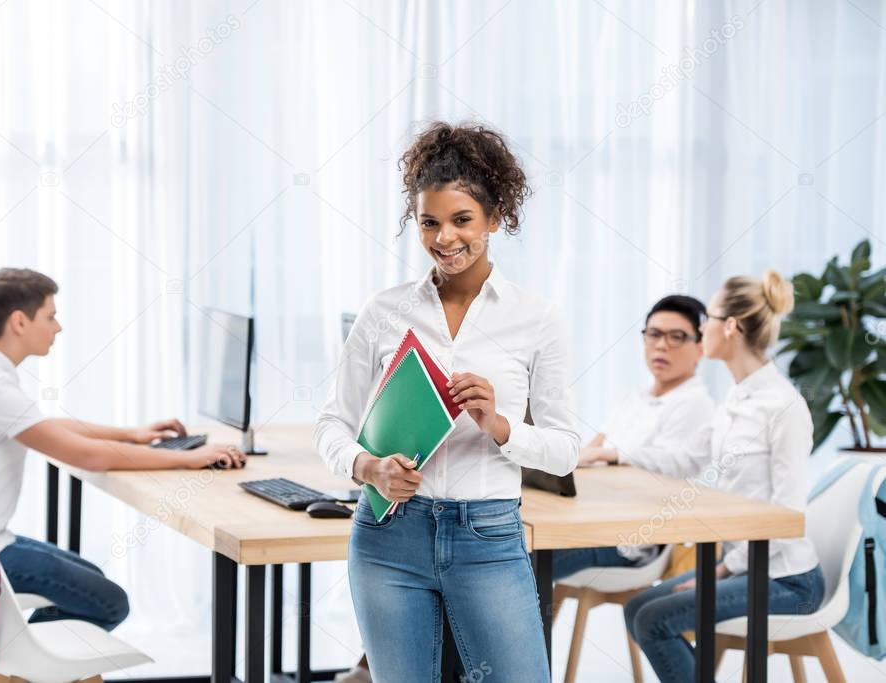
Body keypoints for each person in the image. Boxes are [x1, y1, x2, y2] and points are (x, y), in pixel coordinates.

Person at [315, 122, 579, 682]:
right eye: (429, 222)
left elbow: (564, 452)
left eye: (462, 220)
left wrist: (501, 425)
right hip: (389, 538)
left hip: (488, 537)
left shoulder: (536, 318)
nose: (444, 238)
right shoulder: (384, 311)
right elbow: (331, 424)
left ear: (495, 218)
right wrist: (368, 467)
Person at [0, 268, 246, 631]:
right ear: (19, 321)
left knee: (91, 576)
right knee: (110, 602)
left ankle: (29, 661)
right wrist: (189, 459)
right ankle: (27, 668)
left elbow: (46, 428)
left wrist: (133, 435)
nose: (57, 327)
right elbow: (86, 456)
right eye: (50, 316)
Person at [623, 270, 826, 682]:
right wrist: (614, 453)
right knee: (637, 608)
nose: (701, 329)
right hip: (743, 566)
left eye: (708, 319)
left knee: (654, 620)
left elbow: (786, 517)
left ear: (730, 327)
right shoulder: (737, 397)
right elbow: (690, 459)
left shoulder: (783, 407)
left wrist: (722, 569)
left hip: (786, 579)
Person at [553, 295, 715, 579]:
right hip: (595, 518)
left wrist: (610, 454)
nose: (662, 345)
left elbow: (675, 466)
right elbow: (591, 448)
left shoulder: (696, 403)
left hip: (630, 540)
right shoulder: (634, 397)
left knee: (524, 560)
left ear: (700, 346)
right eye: (654, 334)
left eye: (676, 337)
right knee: (509, 544)